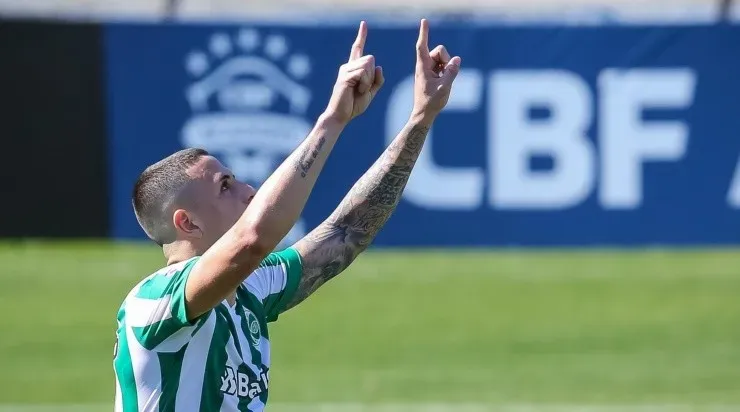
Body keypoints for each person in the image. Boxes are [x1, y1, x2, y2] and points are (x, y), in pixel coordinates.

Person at [113, 18, 461, 412]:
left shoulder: (252, 289)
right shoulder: (154, 302)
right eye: (225, 186)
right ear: (187, 222)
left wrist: (421, 118)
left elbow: (348, 232)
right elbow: (253, 239)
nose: (249, 191)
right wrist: (332, 120)